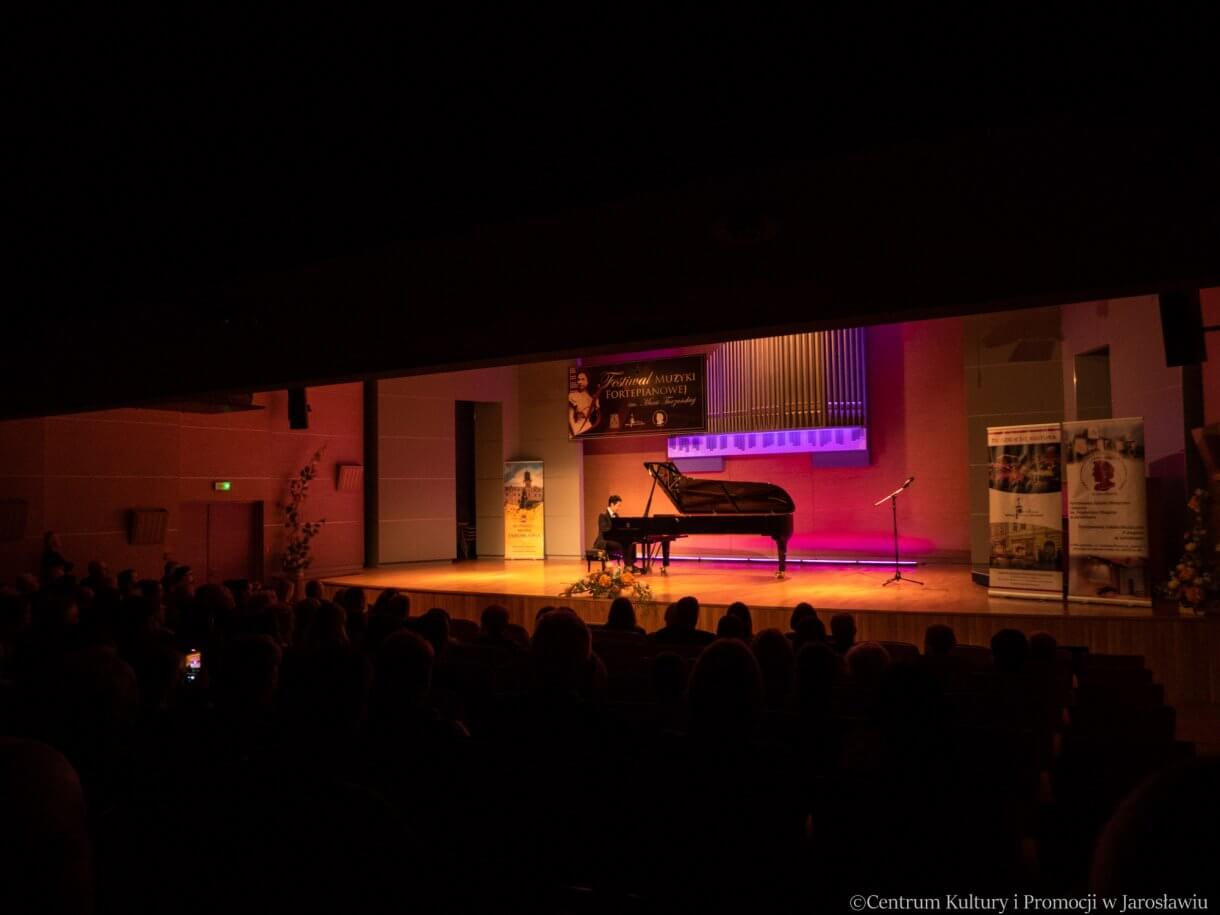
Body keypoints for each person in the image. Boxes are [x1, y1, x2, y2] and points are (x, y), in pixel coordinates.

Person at [593, 495, 636, 569]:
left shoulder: (616, 515)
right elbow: (604, 529)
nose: (619, 508)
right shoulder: (603, 515)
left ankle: (630, 564)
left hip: (613, 539)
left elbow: (619, 528)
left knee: (630, 543)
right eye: (618, 506)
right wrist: (614, 529)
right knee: (620, 545)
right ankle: (628, 565)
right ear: (612, 504)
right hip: (604, 540)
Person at [568, 370, 601, 437]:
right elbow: (570, 418)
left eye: (583, 379)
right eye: (578, 379)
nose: (580, 382)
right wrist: (575, 432)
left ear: (588, 381)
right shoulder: (572, 396)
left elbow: (598, 418)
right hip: (576, 428)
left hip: (589, 428)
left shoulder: (592, 398)